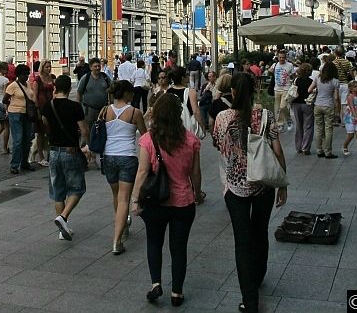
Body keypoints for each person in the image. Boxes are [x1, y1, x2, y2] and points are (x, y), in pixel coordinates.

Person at [213, 74, 287, 312]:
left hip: (235, 187)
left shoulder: (222, 117)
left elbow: (218, 143)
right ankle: (258, 274)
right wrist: (282, 184)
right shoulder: (265, 115)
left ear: (232, 92)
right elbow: (277, 150)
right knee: (260, 231)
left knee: (242, 242)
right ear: (255, 90)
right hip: (263, 184)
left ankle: (250, 299)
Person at [131, 93, 203, 307]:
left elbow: (143, 172)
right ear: (178, 114)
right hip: (183, 201)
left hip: (155, 202)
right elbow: (195, 173)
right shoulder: (191, 140)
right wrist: (197, 194)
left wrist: (135, 199)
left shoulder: (148, 140)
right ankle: (177, 292)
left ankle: (156, 284)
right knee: (179, 247)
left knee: (154, 242)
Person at [102, 80, 148, 254]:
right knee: (124, 199)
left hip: (109, 157)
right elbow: (145, 136)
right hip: (127, 157)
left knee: (116, 196)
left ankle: (123, 227)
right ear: (127, 93)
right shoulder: (134, 112)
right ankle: (117, 241)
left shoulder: (105, 110)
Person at [42, 74, 89, 241]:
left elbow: (45, 123)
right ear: (69, 89)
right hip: (70, 151)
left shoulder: (48, 106)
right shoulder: (75, 107)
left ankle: (62, 230)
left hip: (53, 151)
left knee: (58, 191)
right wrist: (84, 145)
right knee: (77, 188)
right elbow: (84, 131)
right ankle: (63, 217)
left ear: (55, 88)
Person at [5, 64, 37, 175]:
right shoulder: (13, 85)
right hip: (15, 114)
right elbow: (5, 99)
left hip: (27, 114)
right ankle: (14, 165)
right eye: (24, 74)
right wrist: (12, 106)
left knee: (27, 139)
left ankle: (24, 163)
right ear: (18, 75)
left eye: (27, 74)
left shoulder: (28, 85)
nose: (26, 76)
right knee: (18, 140)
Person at [310, 61, 341, 159]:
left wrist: (317, 90)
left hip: (317, 105)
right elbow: (336, 97)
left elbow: (309, 90)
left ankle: (319, 150)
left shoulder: (318, 78)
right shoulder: (335, 81)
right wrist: (337, 110)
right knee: (328, 129)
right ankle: (328, 151)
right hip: (328, 106)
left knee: (319, 128)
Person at [29, 60, 54, 167]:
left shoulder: (52, 78)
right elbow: (34, 95)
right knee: (40, 133)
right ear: (42, 68)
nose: (49, 69)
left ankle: (50, 154)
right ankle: (41, 157)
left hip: (51, 108)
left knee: (50, 132)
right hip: (41, 108)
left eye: (50, 67)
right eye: (46, 67)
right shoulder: (37, 80)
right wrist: (37, 110)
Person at [166, 66, 205, 135]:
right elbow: (196, 112)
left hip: (171, 128)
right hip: (186, 129)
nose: (188, 76)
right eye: (187, 74)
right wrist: (202, 127)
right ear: (182, 78)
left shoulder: (167, 91)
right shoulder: (190, 92)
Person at [77, 58, 111, 134]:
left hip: (103, 109)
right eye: (95, 66)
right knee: (89, 130)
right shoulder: (85, 78)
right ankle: (88, 145)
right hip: (89, 110)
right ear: (90, 67)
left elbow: (111, 90)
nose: (98, 68)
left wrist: (111, 104)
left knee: (103, 130)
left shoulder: (105, 77)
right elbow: (79, 92)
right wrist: (78, 107)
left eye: (99, 66)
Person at [290, 63, 315, 155]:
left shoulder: (296, 80)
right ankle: (306, 147)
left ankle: (298, 146)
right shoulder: (311, 81)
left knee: (299, 126)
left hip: (296, 104)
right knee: (308, 126)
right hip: (307, 104)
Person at [269, 51, 294, 132]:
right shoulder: (275, 65)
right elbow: (270, 72)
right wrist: (270, 71)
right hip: (277, 89)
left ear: (286, 57)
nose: (282, 59)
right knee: (277, 108)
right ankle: (280, 124)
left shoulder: (290, 65)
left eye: (283, 57)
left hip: (286, 89)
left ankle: (289, 120)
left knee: (283, 106)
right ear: (278, 57)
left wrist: (292, 77)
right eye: (280, 57)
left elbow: (293, 75)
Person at [342, 81, 357, 157]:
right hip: (350, 116)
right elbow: (351, 107)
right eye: (355, 87)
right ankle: (345, 146)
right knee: (350, 135)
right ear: (351, 89)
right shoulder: (350, 96)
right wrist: (355, 116)